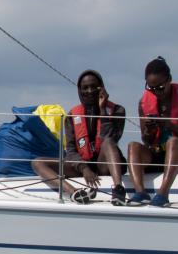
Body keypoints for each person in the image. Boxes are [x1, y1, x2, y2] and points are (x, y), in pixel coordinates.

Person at [31, 69, 127, 205]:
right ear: (79, 90)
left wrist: (103, 110)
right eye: (85, 88)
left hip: (105, 164)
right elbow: (70, 150)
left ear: (101, 88)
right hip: (82, 165)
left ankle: (118, 189)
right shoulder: (72, 116)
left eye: (94, 87)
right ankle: (75, 193)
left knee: (108, 142)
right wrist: (84, 168)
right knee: (37, 162)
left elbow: (112, 137)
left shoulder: (118, 110)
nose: (89, 91)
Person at [126, 56, 178, 207]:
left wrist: (169, 125)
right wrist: (149, 130)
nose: (156, 92)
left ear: (169, 80)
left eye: (160, 87)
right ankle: (140, 192)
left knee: (173, 142)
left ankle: (163, 194)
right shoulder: (143, 103)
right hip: (157, 153)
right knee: (133, 146)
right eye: (150, 88)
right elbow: (146, 140)